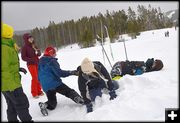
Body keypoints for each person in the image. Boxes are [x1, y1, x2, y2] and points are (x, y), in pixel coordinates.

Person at [38, 46, 84, 116]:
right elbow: (60, 73)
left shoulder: (40, 61)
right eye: (54, 53)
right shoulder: (52, 61)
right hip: (55, 83)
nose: (55, 54)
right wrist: (71, 72)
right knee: (68, 92)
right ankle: (77, 98)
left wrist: (42, 84)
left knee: (52, 103)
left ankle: (45, 105)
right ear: (51, 53)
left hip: (45, 85)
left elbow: (38, 75)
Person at [1, 23, 33, 122]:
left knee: (12, 106)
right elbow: (4, 68)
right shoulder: (4, 48)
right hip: (11, 84)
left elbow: (7, 64)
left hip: (6, 84)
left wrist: (18, 69)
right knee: (21, 104)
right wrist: (12, 86)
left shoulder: (7, 45)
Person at [21, 33, 44, 98]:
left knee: (39, 77)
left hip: (37, 63)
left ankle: (39, 91)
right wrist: (32, 59)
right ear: (26, 39)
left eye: (32, 38)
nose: (31, 39)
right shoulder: (24, 47)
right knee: (34, 78)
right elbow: (23, 57)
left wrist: (39, 53)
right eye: (29, 38)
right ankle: (34, 93)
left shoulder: (34, 46)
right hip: (31, 65)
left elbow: (38, 54)